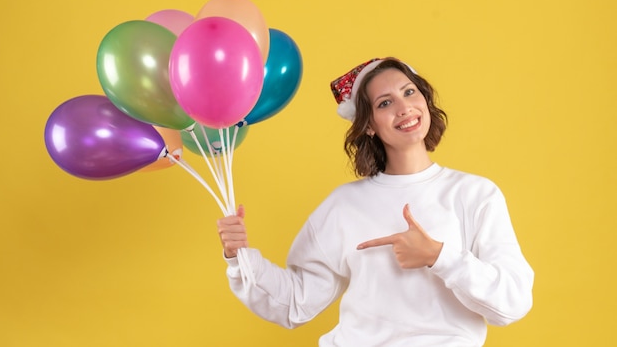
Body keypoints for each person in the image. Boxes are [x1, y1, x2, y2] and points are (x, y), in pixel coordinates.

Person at [217, 57, 534, 346]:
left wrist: (438, 256)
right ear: (368, 124)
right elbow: (295, 303)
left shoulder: (475, 194)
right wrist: (239, 257)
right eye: (385, 103)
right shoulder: (344, 205)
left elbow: (512, 303)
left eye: (409, 92)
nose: (404, 107)